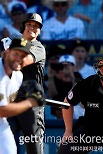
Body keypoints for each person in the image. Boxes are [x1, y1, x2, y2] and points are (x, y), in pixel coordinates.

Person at [7, 13, 46, 154]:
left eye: (36, 26)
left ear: (40, 30)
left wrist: (8, 51)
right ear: (23, 26)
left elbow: (23, 62)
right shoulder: (12, 44)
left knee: (34, 149)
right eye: (29, 24)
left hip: (31, 105)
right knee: (4, 144)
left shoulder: (38, 47)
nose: (32, 28)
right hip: (11, 101)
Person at [0, 38, 40, 154]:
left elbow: (8, 104)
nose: (19, 59)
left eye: (23, 56)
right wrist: (30, 102)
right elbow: (2, 111)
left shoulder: (18, 76)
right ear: (7, 52)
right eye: (16, 54)